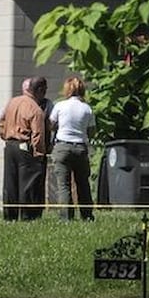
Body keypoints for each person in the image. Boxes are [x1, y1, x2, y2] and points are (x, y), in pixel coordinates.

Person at [0, 76, 47, 221]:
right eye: (44, 90)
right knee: (28, 184)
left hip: (10, 146)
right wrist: (39, 153)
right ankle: (27, 217)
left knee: (10, 184)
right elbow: (37, 135)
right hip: (25, 147)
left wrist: (6, 137)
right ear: (39, 90)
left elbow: (0, 124)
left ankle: (10, 217)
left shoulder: (12, 102)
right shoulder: (35, 109)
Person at [49, 76, 96, 221]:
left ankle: (66, 217)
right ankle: (87, 216)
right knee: (83, 184)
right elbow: (92, 131)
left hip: (62, 147)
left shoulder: (59, 106)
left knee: (64, 185)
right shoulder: (87, 108)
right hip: (80, 148)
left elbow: (51, 125)